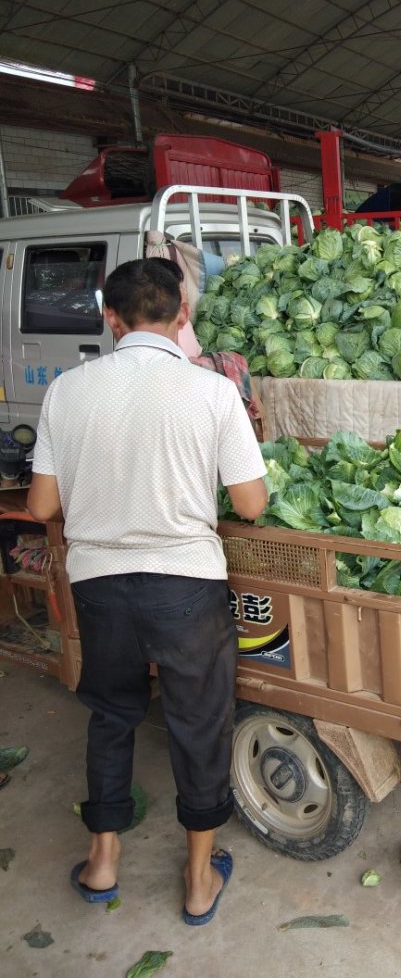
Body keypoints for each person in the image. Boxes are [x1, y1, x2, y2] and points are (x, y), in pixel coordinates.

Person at [27, 258, 268, 925]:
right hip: (187, 585)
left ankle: (102, 859)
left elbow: (43, 502)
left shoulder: (66, 391)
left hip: (100, 585)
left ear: (111, 317)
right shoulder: (212, 391)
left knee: (111, 713)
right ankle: (198, 879)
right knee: (198, 723)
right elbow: (250, 504)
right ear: (182, 315)